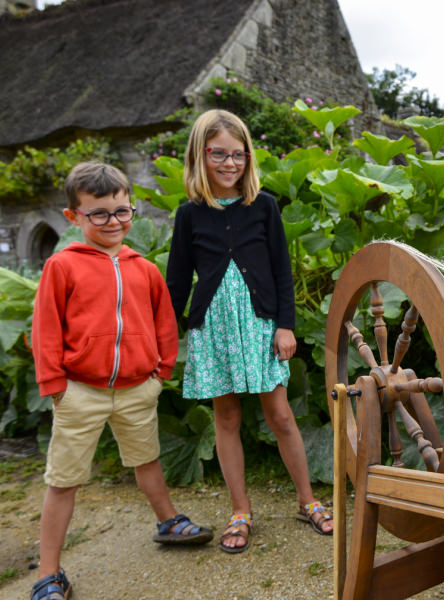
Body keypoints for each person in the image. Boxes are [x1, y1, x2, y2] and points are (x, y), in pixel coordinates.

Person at [29, 162, 213, 600]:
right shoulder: (62, 266)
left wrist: (161, 371)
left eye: (122, 211)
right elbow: (46, 327)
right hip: (80, 391)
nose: (113, 222)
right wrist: (54, 383)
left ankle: (167, 520)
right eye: (99, 214)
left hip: (136, 387)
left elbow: (164, 322)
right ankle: (48, 572)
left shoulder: (143, 268)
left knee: (147, 460)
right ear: (74, 217)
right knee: (64, 480)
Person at [166, 109, 333, 555]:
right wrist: (162, 335)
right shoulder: (189, 215)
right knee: (227, 419)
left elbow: (281, 270)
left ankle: (308, 500)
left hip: (261, 327)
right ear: (200, 155)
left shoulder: (264, 206)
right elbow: (177, 282)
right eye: (218, 153)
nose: (229, 164)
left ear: (248, 158)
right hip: (215, 331)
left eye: (237, 154)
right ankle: (240, 511)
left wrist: (285, 325)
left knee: (280, 415)